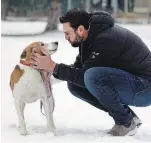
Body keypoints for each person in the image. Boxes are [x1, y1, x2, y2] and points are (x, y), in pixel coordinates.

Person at [30, 8, 151, 136]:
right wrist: (49, 74)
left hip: (145, 88)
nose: (65, 38)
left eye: (67, 33)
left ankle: (125, 123)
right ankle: (129, 118)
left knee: (92, 77)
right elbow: (77, 70)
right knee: (74, 84)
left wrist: (53, 67)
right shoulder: (89, 37)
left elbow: (87, 76)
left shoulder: (105, 40)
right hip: (134, 83)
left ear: (80, 29)